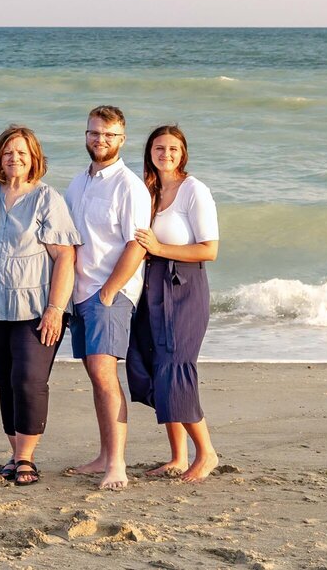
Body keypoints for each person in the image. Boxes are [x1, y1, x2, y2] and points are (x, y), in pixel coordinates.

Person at [0, 124, 79, 487]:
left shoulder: (47, 198)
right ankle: (15, 452)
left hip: (37, 306)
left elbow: (65, 257)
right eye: (8, 152)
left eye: (21, 152)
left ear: (34, 157)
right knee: (5, 382)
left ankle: (26, 458)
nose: (14, 158)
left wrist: (56, 308)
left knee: (29, 380)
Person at [64, 105, 152, 490]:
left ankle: (117, 464)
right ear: (86, 135)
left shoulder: (128, 185)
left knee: (104, 374)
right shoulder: (77, 183)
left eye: (110, 135)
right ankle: (103, 454)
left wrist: (110, 291)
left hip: (109, 294)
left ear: (122, 140)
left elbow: (137, 244)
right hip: (80, 293)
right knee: (96, 376)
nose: (101, 140)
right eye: (95, 133)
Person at [128, 124, 222, 483]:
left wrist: (159, 249)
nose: (165, 154)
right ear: (149, 151)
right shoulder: (148, 190)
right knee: (147, 364)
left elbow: (209, 249)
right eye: (158, 147)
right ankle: (178, 456)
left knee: (175, 368)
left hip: (183, 288)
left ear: (183, 153)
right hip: (150, 288)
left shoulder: (194, 190)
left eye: (172, 148)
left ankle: (206, 452)